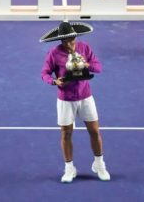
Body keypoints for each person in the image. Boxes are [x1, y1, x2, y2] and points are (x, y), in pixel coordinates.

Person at [40, 21, 110, 183]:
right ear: (62, 41)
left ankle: (99, 164)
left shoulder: (84, 48)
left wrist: (87, 65)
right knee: (66, 133)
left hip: (85, 97)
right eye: (67, 42)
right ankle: (69, 168)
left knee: (94, 131)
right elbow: (44, 73)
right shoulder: (54, 54)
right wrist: (54, 82)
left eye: (73, 40)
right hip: (65, 100)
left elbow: (98, 67)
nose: (71, 44)